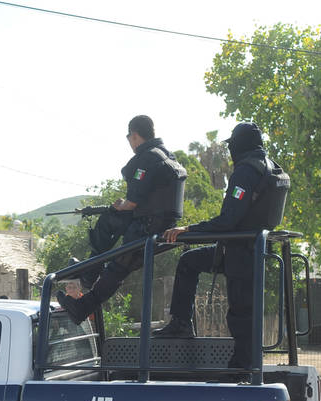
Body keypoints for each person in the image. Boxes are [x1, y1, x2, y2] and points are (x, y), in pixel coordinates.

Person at [158, 121, 288, 370]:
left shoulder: (246, 171)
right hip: (253, 250)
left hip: (240, 252)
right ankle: (181, 324)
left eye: (232, 145)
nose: (230, 151)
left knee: (241, 315)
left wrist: (188, 229)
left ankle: (241, 371)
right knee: (189, 262)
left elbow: (227, 220)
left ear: (240, 146)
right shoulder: (270, 166)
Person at [56, 114, 187, 324]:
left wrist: (122, 205)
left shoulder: (147, 158)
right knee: (117, 266)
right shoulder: (167, 155)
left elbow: (133, 203)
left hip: (147, 225)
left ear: (134, 136)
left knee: (115, 253)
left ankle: (89, 274)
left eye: (129, 138)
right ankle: (87, 286)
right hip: (161, 222)